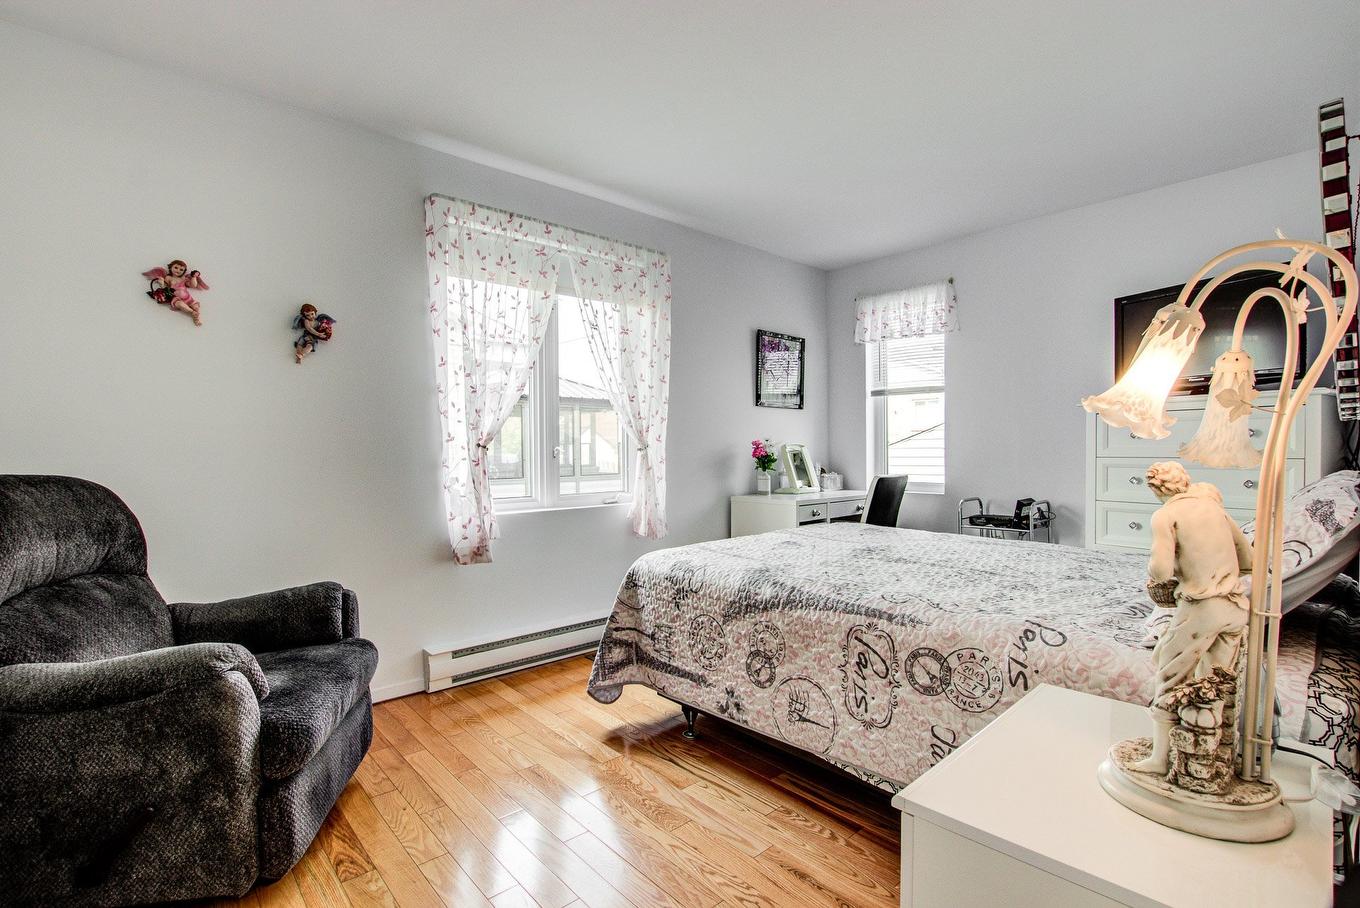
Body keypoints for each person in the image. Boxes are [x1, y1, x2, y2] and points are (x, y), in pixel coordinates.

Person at [1132, 461, 1253, 775]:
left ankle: (1161, 759)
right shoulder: (1216, 509)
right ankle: (1213, 759)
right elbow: (1249, 559)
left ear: (1157, 489)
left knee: (1169, 675)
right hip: (1236, 607)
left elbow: (1159, 571)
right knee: (1216, 684)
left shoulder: (1166, 514)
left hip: (1203, 609)